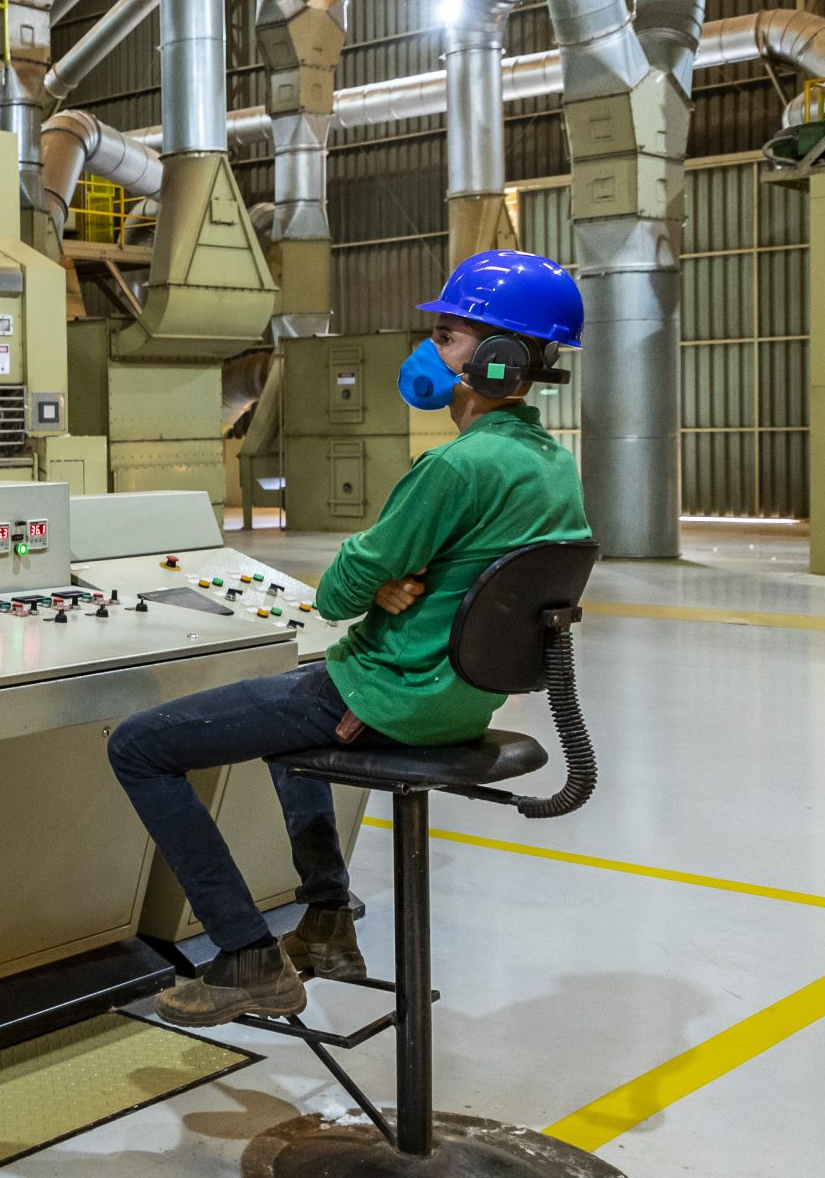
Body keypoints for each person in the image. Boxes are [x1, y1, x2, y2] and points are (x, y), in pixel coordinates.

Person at [109, 250, 595, 1026]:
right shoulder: (553, 465)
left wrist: (378, 579)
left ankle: (245, 955)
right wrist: (402, 580)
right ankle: (328, 920)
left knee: (138, 744)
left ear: (500, 357)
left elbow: (337, 592)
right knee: (284, 709)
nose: (430, 352)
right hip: (459, 698)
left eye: (449, 336)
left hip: (390, 695)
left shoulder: (457, 467)